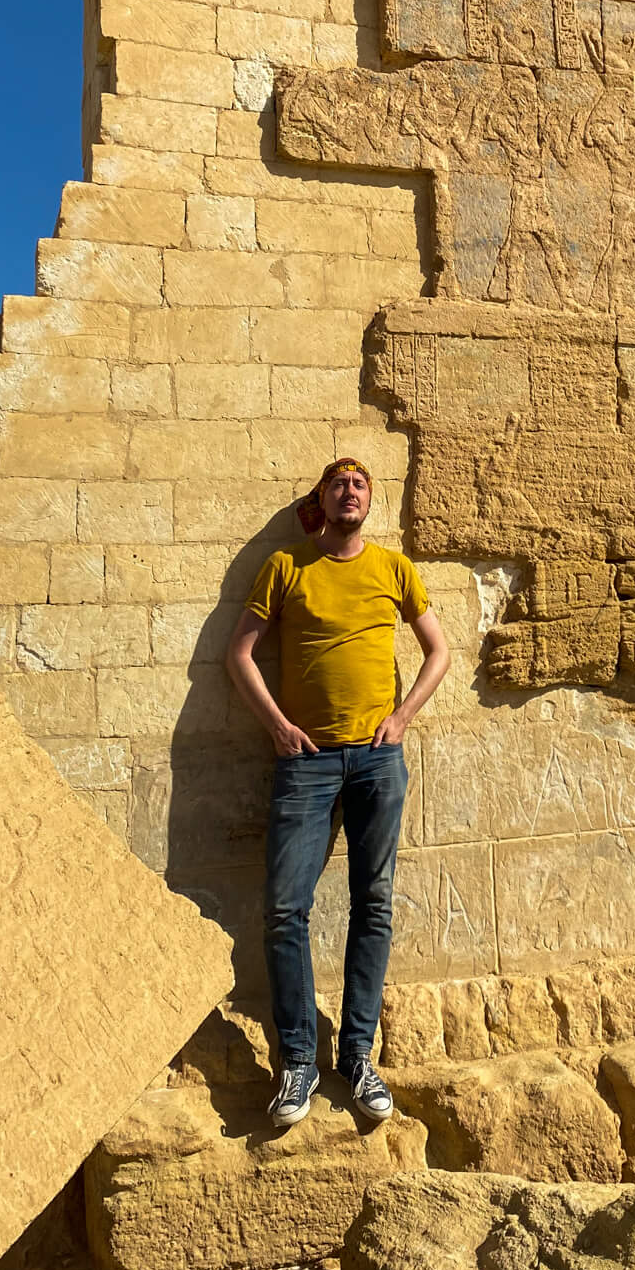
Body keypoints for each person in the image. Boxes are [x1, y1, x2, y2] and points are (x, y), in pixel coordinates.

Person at [227, 458, 449, 1129]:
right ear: (319, 500)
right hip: (308, 762)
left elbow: (437, 651)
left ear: (369, 501)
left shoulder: (393, 568)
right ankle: (298, 1059)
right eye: (337, 483)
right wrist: (277, 726)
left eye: (359, 484)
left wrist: (402, 715)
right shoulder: (287, 566)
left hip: (378, 759)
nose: (349, 491)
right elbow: (239, 653)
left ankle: (356, 1055)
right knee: (284, 908)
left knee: (372, 904)